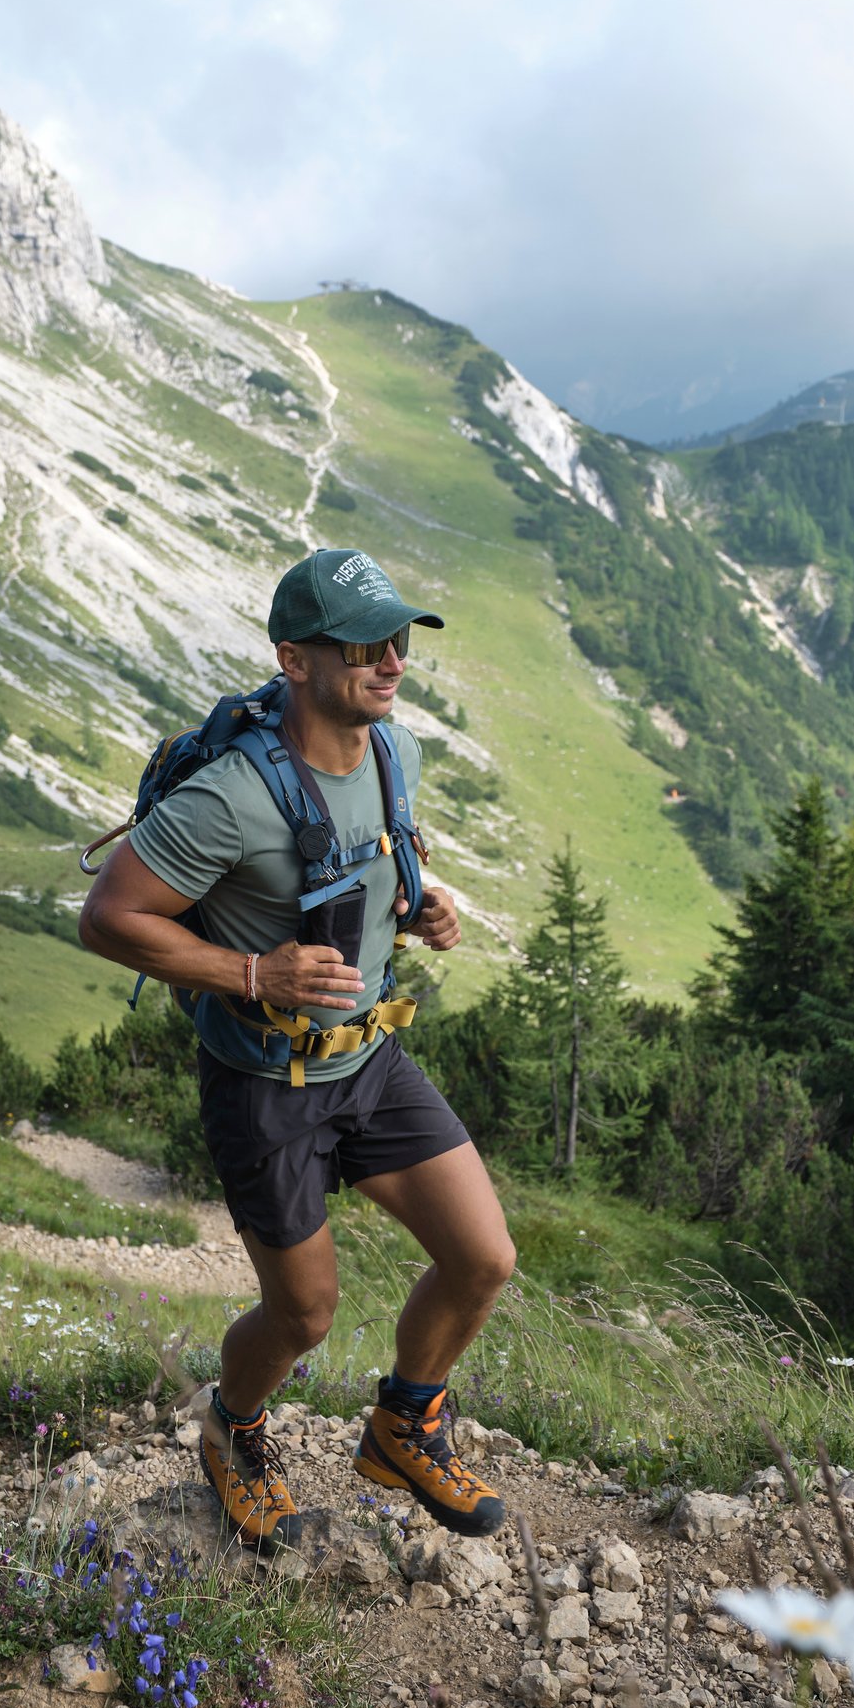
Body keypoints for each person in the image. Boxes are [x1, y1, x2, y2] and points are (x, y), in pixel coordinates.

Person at [78, 547, 518, 1547]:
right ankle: (231, 1432)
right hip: (263, 1085)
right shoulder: (230, 797)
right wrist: (249, 976)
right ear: (294, 660)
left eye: (398, 638)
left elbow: (362, 872)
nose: (390, 660)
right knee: (303, 1317)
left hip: (365, 1060)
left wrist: (420, 913)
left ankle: (405, 1423)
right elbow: (106, 918)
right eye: (362, 643)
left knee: (481, 1258)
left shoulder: (392, 752)